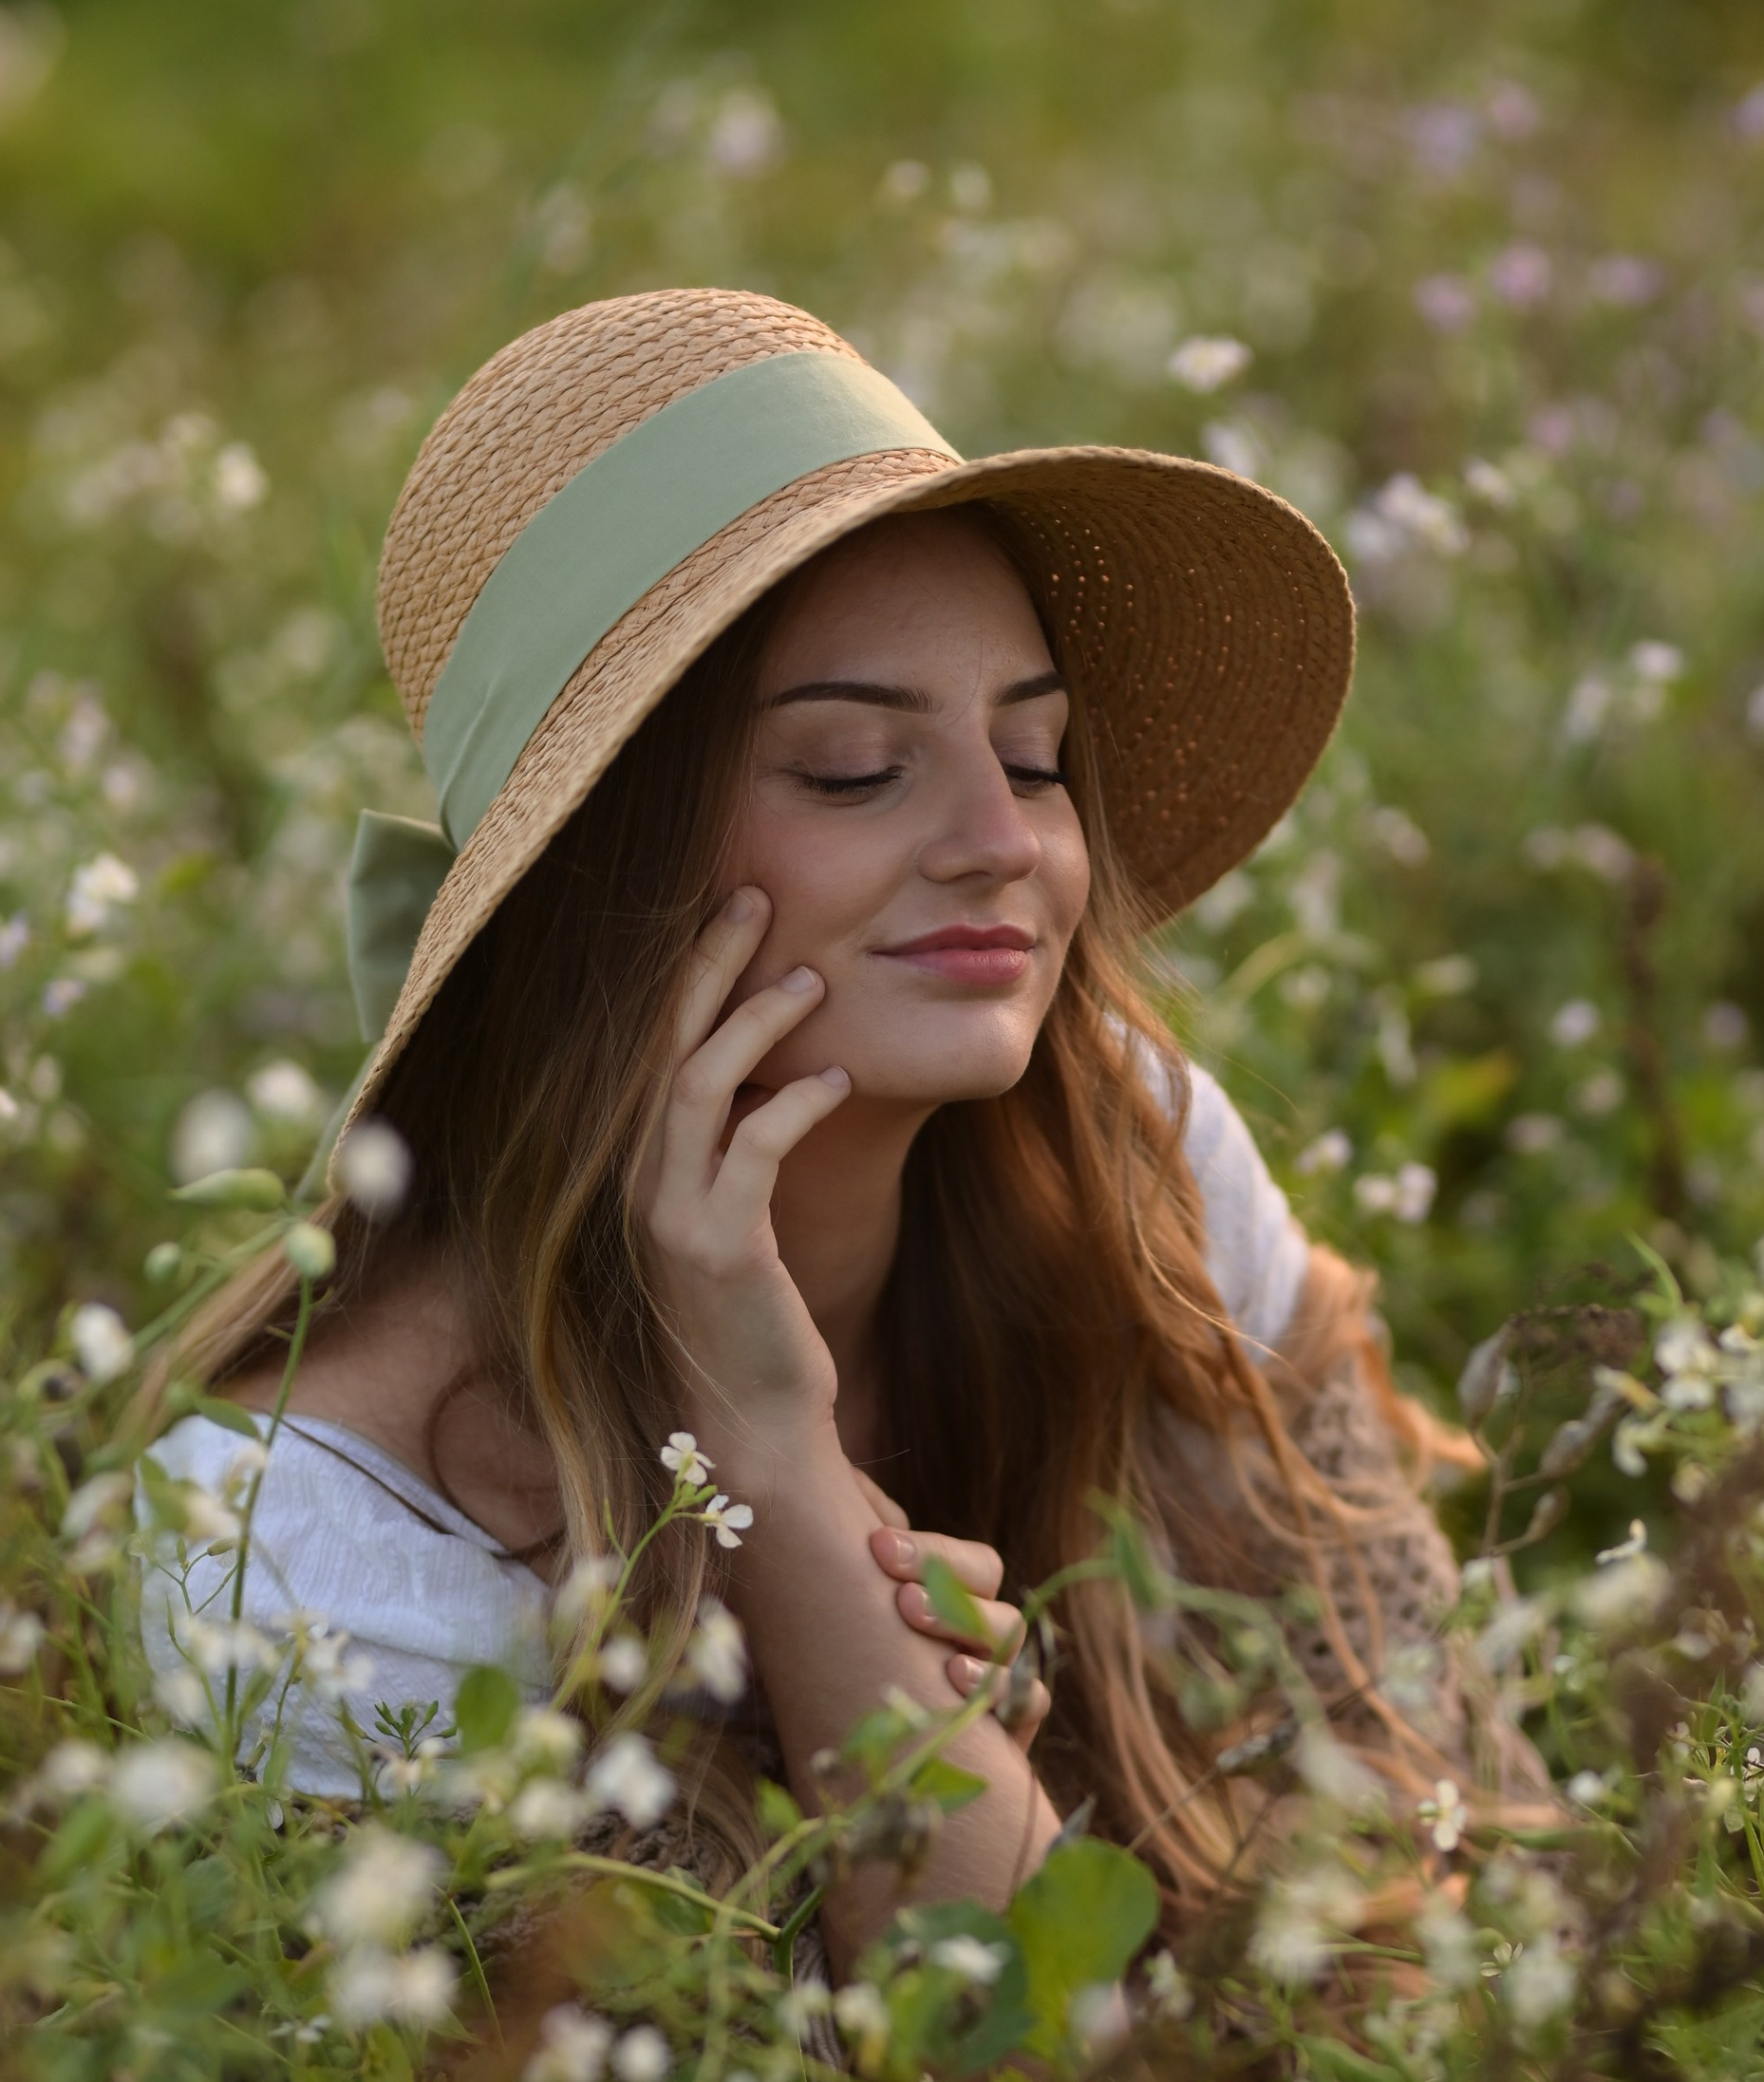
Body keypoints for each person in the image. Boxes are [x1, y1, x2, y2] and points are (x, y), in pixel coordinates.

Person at [143, 288, 1547, 1978]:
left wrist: (790, 1485)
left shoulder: (1133, 1161)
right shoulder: (308, 1547)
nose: (997, 841)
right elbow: (1022, 2033)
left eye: (1032, 757)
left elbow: (1443, 1889)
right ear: (600, 869)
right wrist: (777, 1476)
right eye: (853, 769)